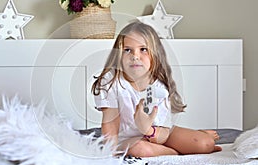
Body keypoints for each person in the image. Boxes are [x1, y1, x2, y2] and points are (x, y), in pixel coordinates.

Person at [91, 21, 221, 157]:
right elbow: (110, 125)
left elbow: (163, 132)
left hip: (157, 133)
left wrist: (147, 129)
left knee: (206, 144)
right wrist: (109, 156)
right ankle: (175, 153)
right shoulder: (110, 81)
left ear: (155, 55)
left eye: (143, 49)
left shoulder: (159, 86)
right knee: (139, 149)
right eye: (127, 50)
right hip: (129, 139)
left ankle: (198, 135)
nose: (135, 56)